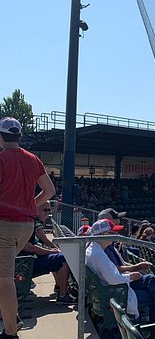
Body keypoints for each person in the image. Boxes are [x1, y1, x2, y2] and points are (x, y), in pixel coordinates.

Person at [0, 117, 56, 339]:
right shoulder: (33, 159)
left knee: (4, 279)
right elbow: (49, 190)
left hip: (5, 225)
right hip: (26, 225)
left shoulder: (2, 158)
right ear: (19, 136)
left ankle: (11, 331)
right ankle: (11, 314)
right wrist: (30, 205)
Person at [86, 219, 155, 322]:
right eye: (111, 233)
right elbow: (114, 279)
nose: (115, 235)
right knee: (154, 297)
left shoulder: (93, 250)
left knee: (150, 280)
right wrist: (132, 276)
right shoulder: (99, 254)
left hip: (111, 291)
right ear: (102, 234)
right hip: (117, 294)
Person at [19, 205, 76, 304]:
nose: (48, 213)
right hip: (24, 266)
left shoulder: (21, 221)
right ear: (35, 209)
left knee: (55, 257)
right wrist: (51, 251)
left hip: (24, 263)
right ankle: (63, 295)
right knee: (62, 258)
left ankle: (60, 287)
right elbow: (30, 247)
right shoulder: (25, 222)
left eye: (49, 210)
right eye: (45, 209)